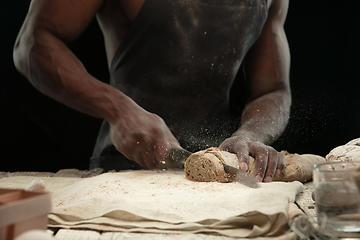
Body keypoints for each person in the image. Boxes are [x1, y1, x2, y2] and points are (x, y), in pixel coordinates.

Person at [13, 0, 291, 182]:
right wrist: (118, 109)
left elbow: (273, 88)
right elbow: (33, 42)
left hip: (219, 174)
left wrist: (250, 134)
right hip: (122, 170)